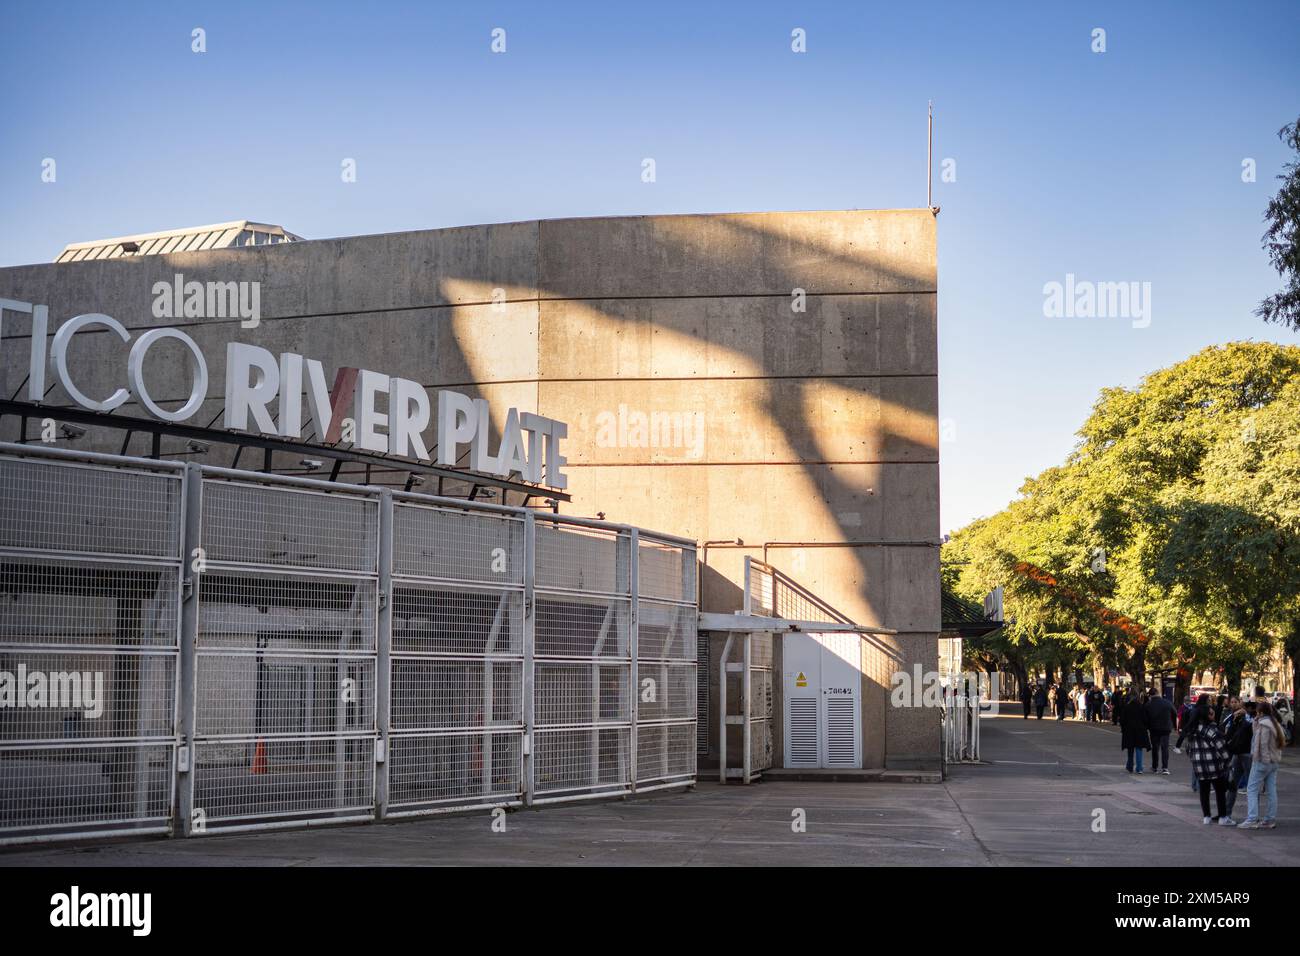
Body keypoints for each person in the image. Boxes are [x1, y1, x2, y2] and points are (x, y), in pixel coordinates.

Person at [1180, 695, 1237, 825]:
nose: (1213, 715)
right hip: (1215, 766)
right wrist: (1228, 763)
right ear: (1206, 716)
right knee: (1220, 792)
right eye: (1211, 714)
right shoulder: (1211, 731)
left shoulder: (1192, 732)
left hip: (1199, 767)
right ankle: (1223, 817)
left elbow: (1189, 750)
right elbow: (1222, 749)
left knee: (1204, 792)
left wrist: (1195, 760)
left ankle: (1206, 816)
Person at [1239, 701, 1285, 829]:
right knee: (1271, 790)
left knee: (1252, 789)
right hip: (1273, 762)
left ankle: (1252, 819)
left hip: (1262, 761)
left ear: (1261, 712)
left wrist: (1261, 760)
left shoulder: (1264, 725)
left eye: (1257, 712)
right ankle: (1270, 819)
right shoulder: (1275, 723)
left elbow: (1262, 744)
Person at [1145, 687, 1177, 774]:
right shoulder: (1167, 702)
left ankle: (1155, 767)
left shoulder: (1148, 705)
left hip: (1154, 729)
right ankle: (1165, 768)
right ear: (1158, 693)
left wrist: (1147, 726)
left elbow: (1145, 717)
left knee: (1155, 748)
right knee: (1165, 748)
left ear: (1150, 695)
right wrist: (1173, 725)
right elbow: (1174, 713)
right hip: (1166, 728)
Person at [1121, 690, 1152, 774]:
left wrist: (1123, 729)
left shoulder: (1127, 707)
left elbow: (1122, 720)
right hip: (1140, 731)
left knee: (1130, 749)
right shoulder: (1141, 707)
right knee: (1139, 749)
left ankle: (1130, 766)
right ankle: (1139, 768)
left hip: (1129, 730)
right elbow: (1146, 720)